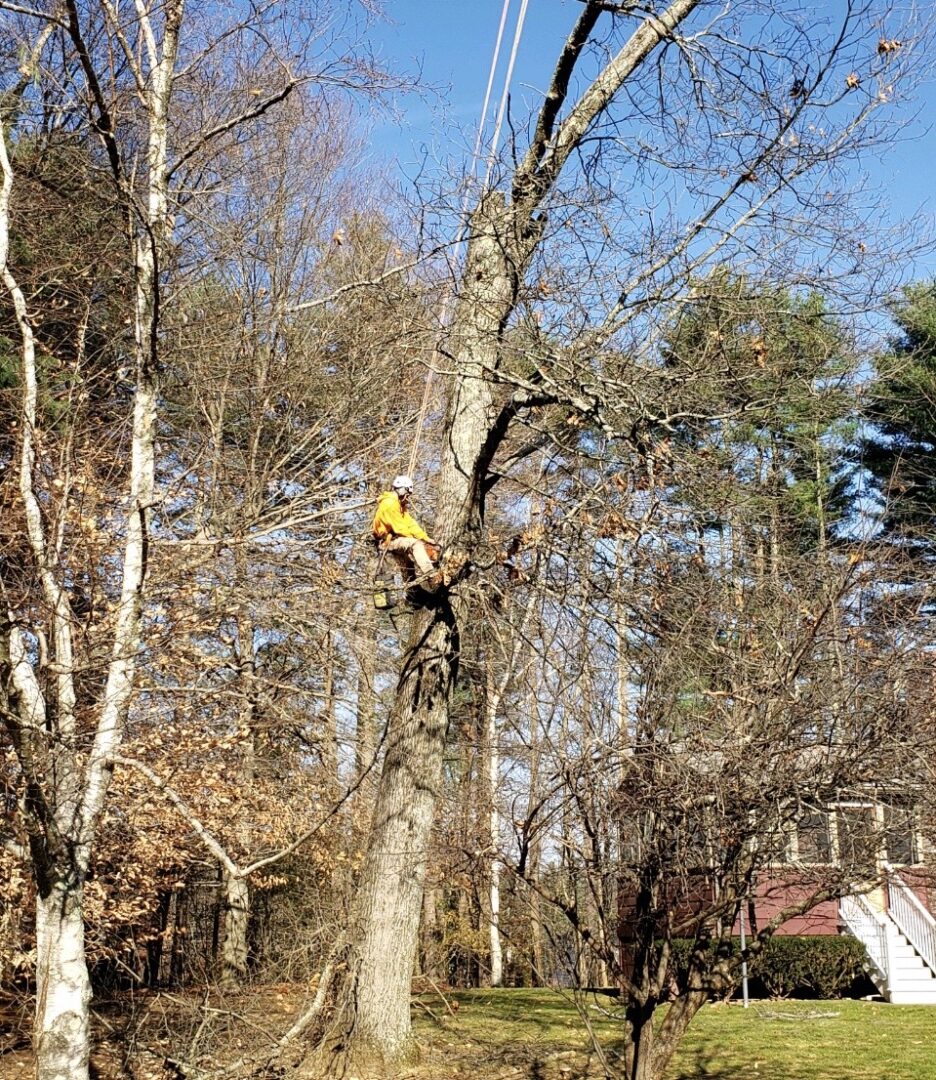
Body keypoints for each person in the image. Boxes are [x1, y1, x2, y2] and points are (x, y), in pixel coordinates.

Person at [372, 475, 440, 585]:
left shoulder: (399, 504)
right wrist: (420, 541)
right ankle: (431, 574)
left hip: (395, 539)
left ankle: (413, 593)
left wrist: (426, 538)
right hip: (387, 541)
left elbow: (410, 523)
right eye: (408, 493)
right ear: (403, 489)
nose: (408, 497)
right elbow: (400, 528)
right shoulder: (390, 503)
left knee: (409, 566)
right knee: (415, 545)